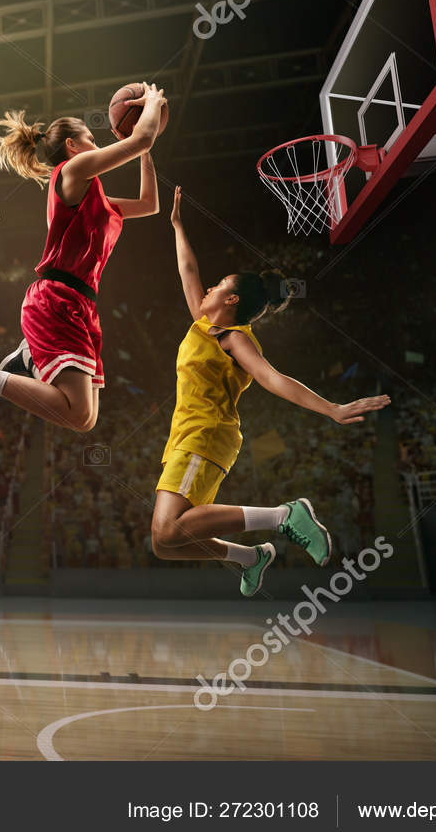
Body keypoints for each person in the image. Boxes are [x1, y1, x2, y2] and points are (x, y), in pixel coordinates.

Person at [152, 187, 391, 596]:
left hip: (205, 434)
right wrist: (177, 226)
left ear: (230, 299)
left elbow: (271, 377)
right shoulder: (204, 325)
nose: (206, 287)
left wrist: (331, 408)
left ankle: (286, 515)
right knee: (165, 543)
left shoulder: (233, 336)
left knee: (169, 527)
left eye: (217, 285)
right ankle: (252, 557)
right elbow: (188, 270)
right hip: (185, 437)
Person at [0, 84, 169, 436]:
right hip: (57, 297)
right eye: (92, 140)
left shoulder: (97, 197)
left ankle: (28, 359)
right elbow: (140, 141)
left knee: (85, 419)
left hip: (82, 303)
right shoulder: (71, 172)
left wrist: (146, 143)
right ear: (72, 146)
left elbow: (148, 204)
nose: (97, 146)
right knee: (79, 415)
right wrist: (152, 109)